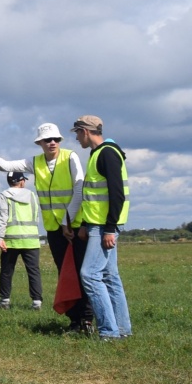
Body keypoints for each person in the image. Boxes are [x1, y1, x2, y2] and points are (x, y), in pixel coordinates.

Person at [0, 123, 88, 330]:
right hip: (54, 229)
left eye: (56, 139)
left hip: (73, 226)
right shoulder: (34, 162)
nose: (52, 143)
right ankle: (74, 320)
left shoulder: (70, 157)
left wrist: (67, 222)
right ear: (40, 143)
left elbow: (79, 188)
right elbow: (5, 166)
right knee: (65, 274)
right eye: (47, 140)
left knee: (82, 273)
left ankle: (87, 318)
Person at [71, 116, 132, 340]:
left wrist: (109, 229)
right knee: (109, 275)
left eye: (77, 133)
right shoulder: (98, 153)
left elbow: (117, 194)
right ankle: (123, 330)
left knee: (89, 274)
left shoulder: (107, 153)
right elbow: (95, 196)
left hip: (104, 226)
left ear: (85, 131)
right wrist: (86, 224)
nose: (76, 138)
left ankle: (109, 332)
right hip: (97, 224)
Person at [0, 171, 43, 309]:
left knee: (7, 270)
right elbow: (36, 216)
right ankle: (37, 302)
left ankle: (4, 301)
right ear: (21, 181)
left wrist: (0, 237)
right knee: (33, 271)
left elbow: (3, 216)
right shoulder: (32, 195)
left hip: (12, 239)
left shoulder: (4, 195)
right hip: (31, 239)